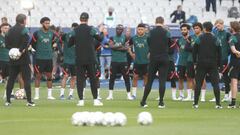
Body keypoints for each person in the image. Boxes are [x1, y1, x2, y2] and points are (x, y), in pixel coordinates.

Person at [68, 12, 104, 106]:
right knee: (93, 78)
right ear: (87, 19)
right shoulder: (91, 29)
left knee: (80, 79)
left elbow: (69, 43)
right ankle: (95, 100)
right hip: (90, 58)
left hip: (79, 58)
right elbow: (100, 38)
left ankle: (81, 101)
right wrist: (101, 32)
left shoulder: (75, 30)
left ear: (80, 19)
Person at [140, 16, 172, 108]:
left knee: (149, 80)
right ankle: (161, 102)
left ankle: (143, 101)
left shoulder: (150, 32)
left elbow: (149, 42)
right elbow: (169, 44)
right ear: (163, 22)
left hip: (153, 58)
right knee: (162, 80)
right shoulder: (167, 32)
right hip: (164, 57)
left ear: (155, 22)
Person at [5, 14, 35, 106]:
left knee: (11, 80)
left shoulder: (9, 30)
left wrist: (14, 51)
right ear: (24, 20)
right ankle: (29, 101)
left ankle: (8, 101)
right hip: (23, 59)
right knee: (26, 80)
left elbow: (7, 45)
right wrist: (20, 51)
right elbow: (25, 43)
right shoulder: (24, 30)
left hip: (13, 59)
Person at [193, 21, 222, 109]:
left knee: (198, 83)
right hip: (213, 64)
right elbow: (220, 53)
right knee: (215, 84)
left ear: (204, 28)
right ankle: (218, 104)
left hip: (201, 63)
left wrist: (195, 63)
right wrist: (219, 65)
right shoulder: (216, 38)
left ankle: (196, 103)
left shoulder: (199, 38)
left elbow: (194, 51)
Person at [30, 17, 57, 100]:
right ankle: (37, 95)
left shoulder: (52, 33)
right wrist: (38, 50)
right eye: (46, 23)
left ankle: (49, 95)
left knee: (49, 76)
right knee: (38, 76)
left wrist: (51, 49)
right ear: (42, 23)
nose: (48, 24)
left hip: (49, 58)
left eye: (49, 23)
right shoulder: (37, 33)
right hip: (39, 58)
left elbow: (53, 43)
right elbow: (32, 44)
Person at [106, 24, 133, 100]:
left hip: (123, 61)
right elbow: (111, 47)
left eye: (120, 29)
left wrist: (116, 47)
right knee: (112, 78)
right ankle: (110, 95)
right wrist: (121, 46)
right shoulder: (112, 37)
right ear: (116, 30)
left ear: (122, 30)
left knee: (126, 78)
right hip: (114, 61)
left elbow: (126, 48)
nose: (119, 30)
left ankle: (128, 95)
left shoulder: (125, 38)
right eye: (117, 29)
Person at [210, 19, 231, 102]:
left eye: (218, 25)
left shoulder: (227, 34)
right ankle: (216, 96)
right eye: (216, 26)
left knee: (226, 77)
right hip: (216, 59)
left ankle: (227, 95)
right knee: (215, 78)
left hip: (224, 59)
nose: (217, 27)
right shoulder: (215, 34)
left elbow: (231, 46)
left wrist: (226, 55)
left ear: (222, 24)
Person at [128, 23, 149, 99]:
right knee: (135, 77)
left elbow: (152, 47)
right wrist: (131, 54)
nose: (140, 31)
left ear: (144, 30)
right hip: (137, 62)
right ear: (137, 29)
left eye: (141, 29)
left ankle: (144, 94)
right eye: (139, 29)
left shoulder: (148, 37)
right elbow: (128, 46)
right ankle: (134, 94)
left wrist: (150, 53)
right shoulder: (133, 38)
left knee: (146, 77)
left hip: (146, 62)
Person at [59, 23, 78, 100]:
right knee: (65, 76)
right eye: (74, 28)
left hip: (75, 61)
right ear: (72, 28)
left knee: (74, 77)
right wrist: (62, 52)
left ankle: (70, 95)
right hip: (67, 60)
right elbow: (58, 41)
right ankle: (62, 94)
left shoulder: (79, 37)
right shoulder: (66, 35)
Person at [177, 24, 194, 101]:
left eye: (185, 29)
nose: (183, 31)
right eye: (182, 30)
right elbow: (178, 50)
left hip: (190, 62)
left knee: (190, 78)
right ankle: (181, 95)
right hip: (181, 62)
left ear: (188, 30)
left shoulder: (192, 39)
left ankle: (191, 95)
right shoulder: (179, 40)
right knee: (180, 79)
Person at [192, 22, 207, 102]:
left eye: (197, 28)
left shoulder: (204, 37)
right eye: (194, 28)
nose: (195, 30)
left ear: (201, 29)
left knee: (202, 78)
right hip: (193, 60)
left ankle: (203, 97)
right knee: (194, 78)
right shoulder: (192, 37)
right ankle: (195, 95)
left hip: (202, 60)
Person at [227, 21, 240, 108]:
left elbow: (233, 50)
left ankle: (233, 103)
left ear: (232, 28)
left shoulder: (232, 37)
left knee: (234, 82)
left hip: (235, 61)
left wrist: (238, 52)